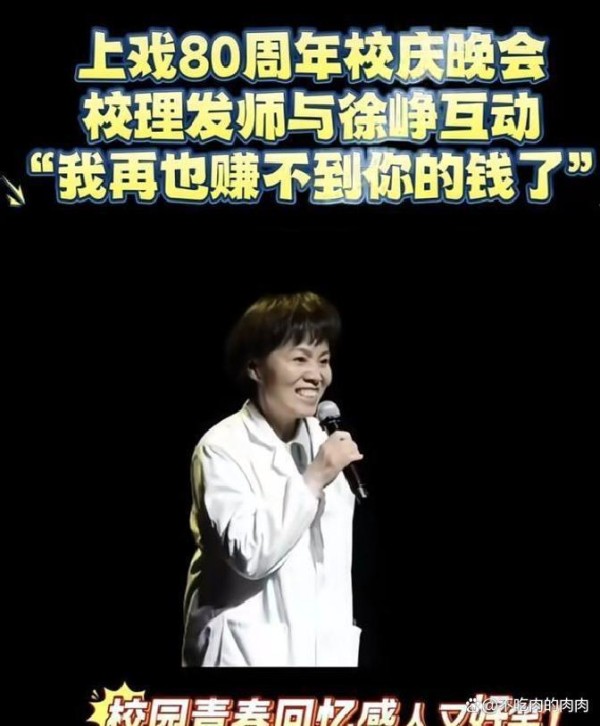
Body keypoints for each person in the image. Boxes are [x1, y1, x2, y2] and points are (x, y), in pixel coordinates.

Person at [182, 291, 364, 667]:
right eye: (300, 359)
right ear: (255, 367)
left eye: (324, 360)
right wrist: (313, 479)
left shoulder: (324, 442)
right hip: (244, 656)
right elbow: (250, 553)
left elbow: (331, 573)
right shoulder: (221, 447)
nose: (316, 375)